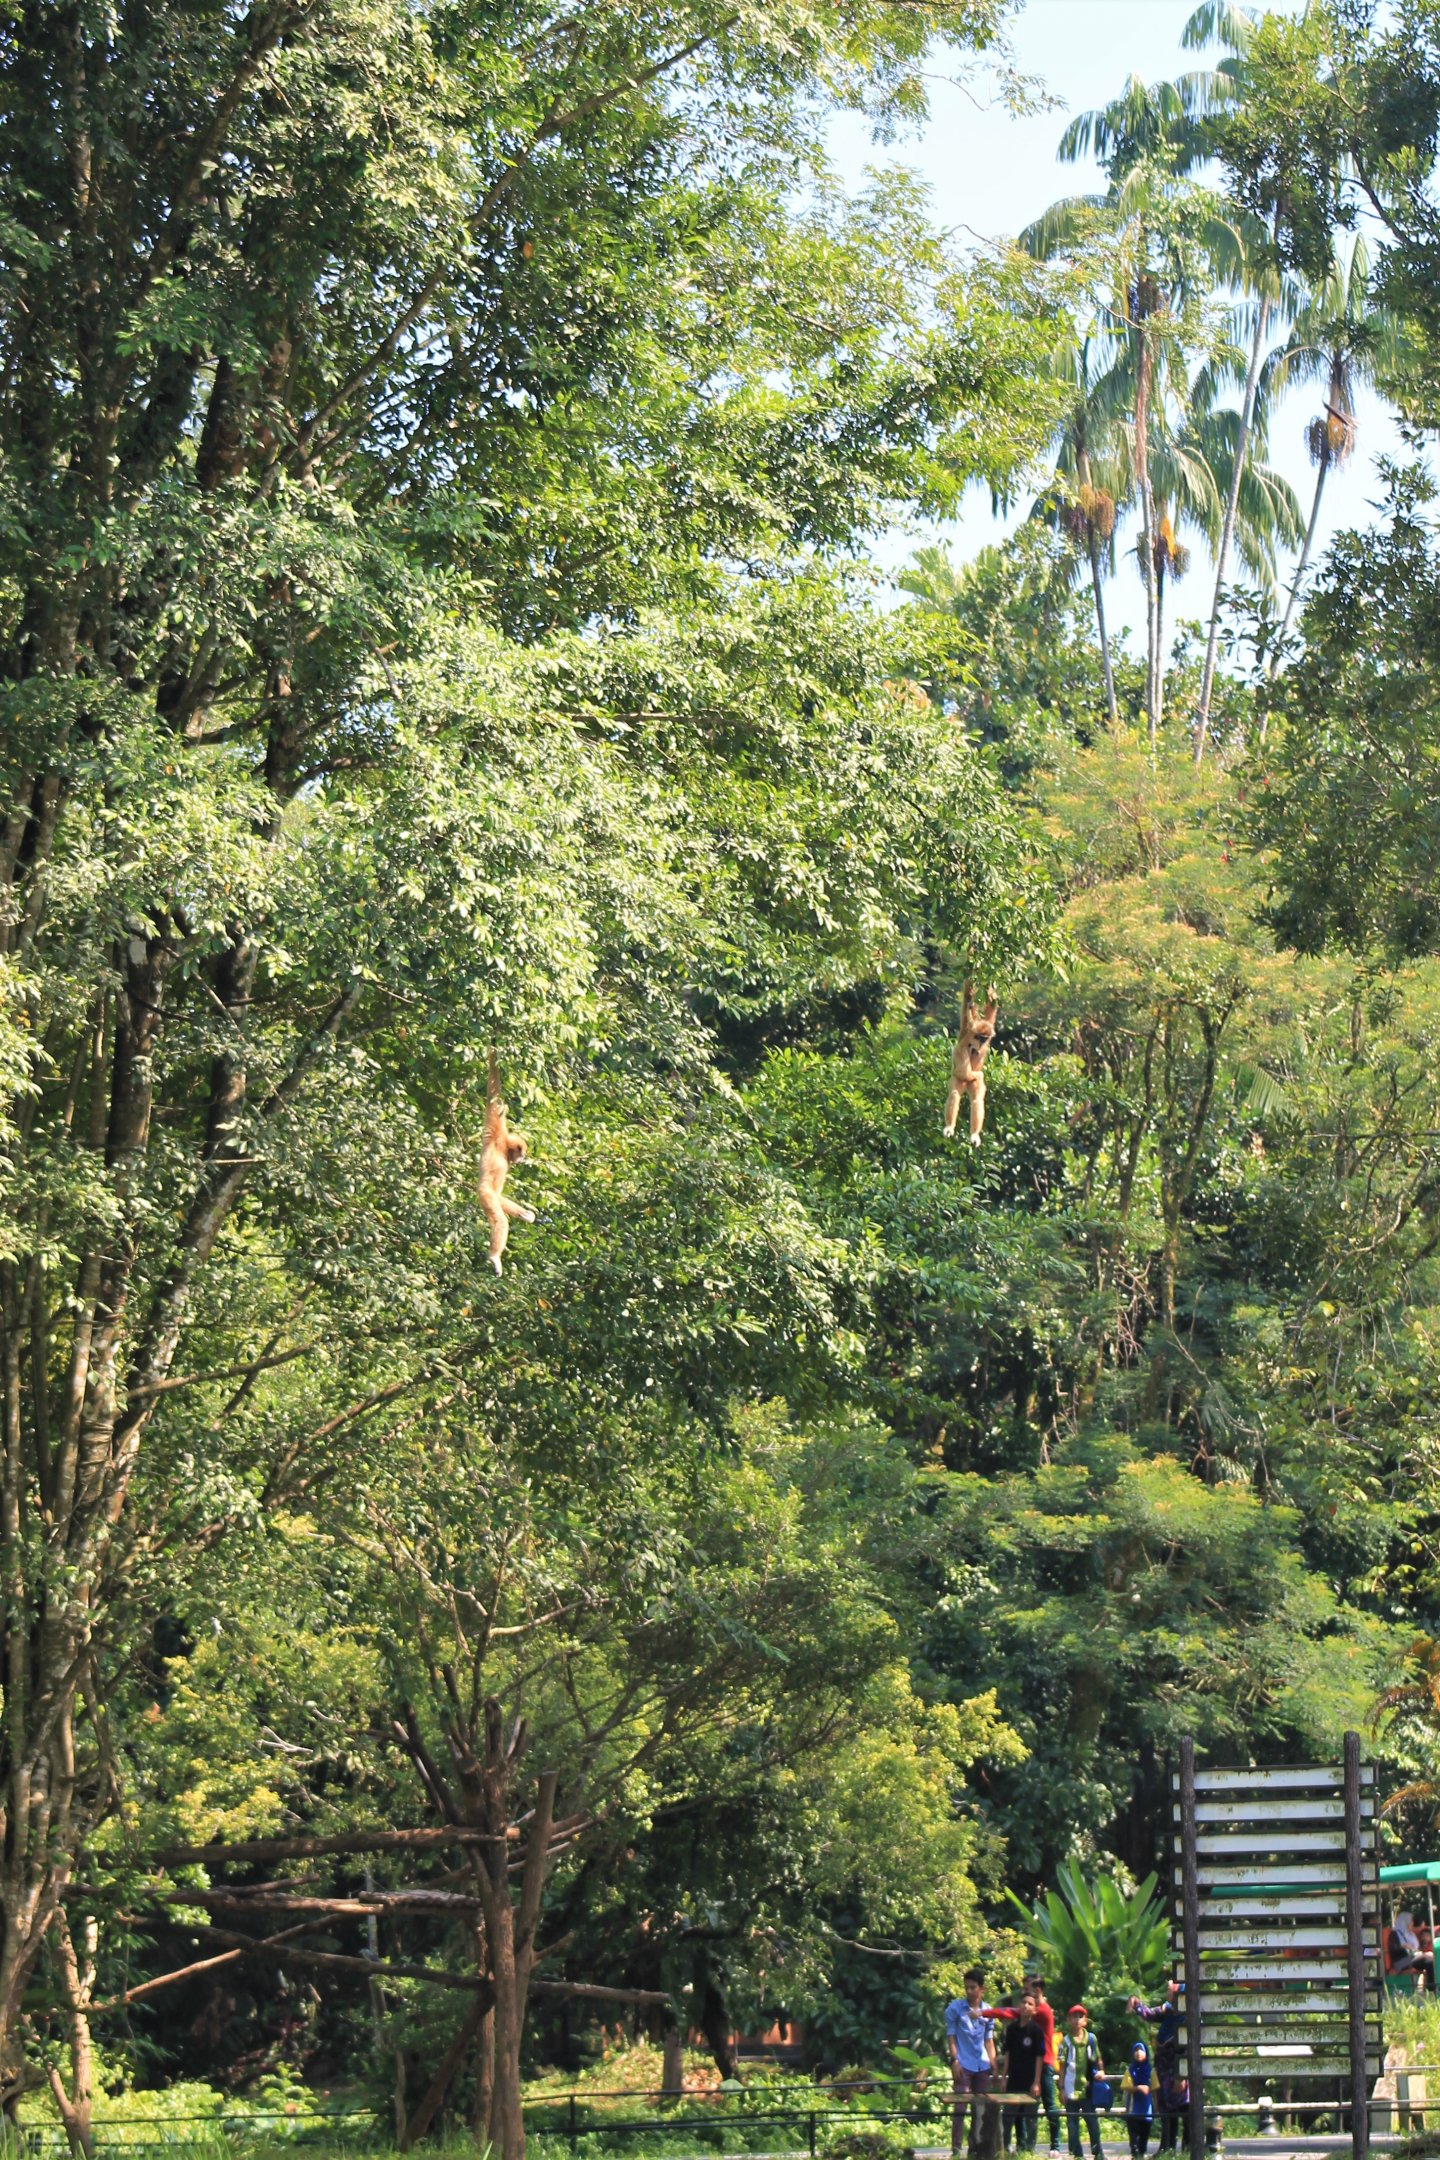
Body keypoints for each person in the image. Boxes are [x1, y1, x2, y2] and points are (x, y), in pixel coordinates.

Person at [946, 1967, 999, 2157]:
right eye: (966, 1987)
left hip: (982, 2064)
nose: (969, 1991)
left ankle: (975, 2146)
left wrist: (993, 2062)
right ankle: (956, 2147)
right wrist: (954, 2060)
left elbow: (988, 2039)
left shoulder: (987, 2011)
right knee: (960, 2106)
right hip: (964, 2063)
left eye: (973, 1987)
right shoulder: (956, 2009)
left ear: (981, 1988)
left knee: (980, 2109)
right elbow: (951, 2036)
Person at [1130, 1982, 1186, 2153]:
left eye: (1170, 1990)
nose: (1167, 1992)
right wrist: (1136, 2003)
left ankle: (1188, 2150)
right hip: (1164, 2071)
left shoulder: (1187, 2017)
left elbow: (1187, 2050)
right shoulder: (1168, 2010)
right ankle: (1167, 2148)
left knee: (1184, 2110)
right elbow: (1149, 2014)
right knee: (1167, 2112)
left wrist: (1182, 2075)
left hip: (1178, 2072)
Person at [1001, 1988, 1046, 2152]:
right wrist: (1003, 2077)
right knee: (1007, 2117)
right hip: (1013, 2080)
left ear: (1034, 2009)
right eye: (1023, 2002)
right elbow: (1008, 2054)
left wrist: (1036, 2082)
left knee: (1031, 2118)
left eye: (1030, 2004)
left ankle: (1029, 2150)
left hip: (1030, 2081)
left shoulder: (1036, 2031)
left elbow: (1039, 2057)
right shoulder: (1011, 2029)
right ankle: (1005, 2149)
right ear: (1019, 2006)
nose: (1026, 2006)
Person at [1057, 2003, 1103, 2160]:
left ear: (1085, 2020)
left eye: (1080, 2016)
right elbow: (1062, 2068)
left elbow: (1097, 2059)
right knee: (1072, 2124)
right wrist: (1061, 2088)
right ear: (1069, 2020)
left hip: (1088, 2087)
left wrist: (1101, 2071)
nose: (1077, 2020)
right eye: (1074, 2016)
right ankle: (1078, 2155)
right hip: (1070, 2088)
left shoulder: (1091, 2039)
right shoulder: (1065, 2042)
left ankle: (1098, 2152)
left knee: (1092, 2122)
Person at [1031, 1975, 1062, 2158]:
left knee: (1050, 2104)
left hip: (1046, 2062)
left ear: (1038, 1990)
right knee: (1030, 2106)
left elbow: (1016, 2013)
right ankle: (1028, 2145)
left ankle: (1056, 2145)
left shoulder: (1042, 2010)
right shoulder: (1036, 2009)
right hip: (1033, 2061)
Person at [1388, 1912, 1435, 1987]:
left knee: (1431, 1957)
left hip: (1412, 1957)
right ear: (1405, 1921)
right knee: (1429, 1959)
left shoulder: (1410, 1934)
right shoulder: (1394, 1934)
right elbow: (1393, 1949)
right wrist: (1403, 1946)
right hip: (1401, 1961)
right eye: (1411, 1921)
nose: (1412, 1923)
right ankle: (1433, 1987)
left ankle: (1430, 1986)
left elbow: (1415, 1948)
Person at [1125, 2039, 1154, 2160]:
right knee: (1134, 2136)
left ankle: (1141, 2155)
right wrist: (1140, 2088)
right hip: (1133, 2110)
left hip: (1147, 2110)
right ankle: (1135, 2154)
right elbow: (1127, 2086)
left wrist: (1156, 2107)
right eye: (1136, 2050)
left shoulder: (1151, 2071)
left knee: (1144, 2136)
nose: (1138, 2052)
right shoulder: (1130, 2070)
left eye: (1141, 2050)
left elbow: (1155, 2088)